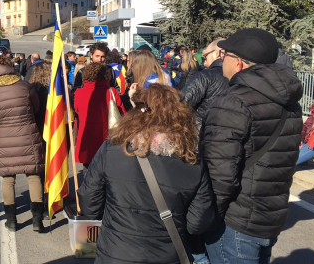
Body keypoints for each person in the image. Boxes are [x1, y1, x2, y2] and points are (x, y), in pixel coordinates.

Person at [78, 84, 215, 264]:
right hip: (168, 254)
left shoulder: (112, 150)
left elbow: (89, 204)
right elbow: (197, 223)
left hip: (116, 254)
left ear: (136, 115)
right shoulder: (192, 161)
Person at [202, 28, 303, 263]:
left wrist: (203, 219)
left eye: (224, 54)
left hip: (235, 221)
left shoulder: (233, 102)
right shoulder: (290, 102)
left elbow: (219, 175)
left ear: (238, 63)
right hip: (271, 217)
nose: (220, 59)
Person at [0, 57, 46, 232]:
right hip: (28, 135)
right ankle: (37, 220)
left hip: (4, 138)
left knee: (8, 179)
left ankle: (11, 221)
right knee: (34, 177)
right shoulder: (25, 87)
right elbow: (35, 107)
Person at [73, 62, 123, 167]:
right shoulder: (111, 92)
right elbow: (122, 114)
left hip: (86, 141)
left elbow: (77, 111)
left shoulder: (78, 93)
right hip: (107, 141)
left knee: (89, 176)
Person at [182, 39, 228, 130]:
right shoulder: (240, 76)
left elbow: (182, 103)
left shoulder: (205, 76)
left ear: (218, 54)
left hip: (202, 132)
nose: (203, 61)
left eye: (206, 56)